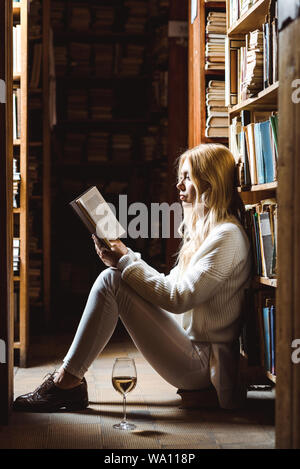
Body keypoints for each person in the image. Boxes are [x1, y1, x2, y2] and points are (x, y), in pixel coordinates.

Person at [14, 143, 252, 412]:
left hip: (204, 363)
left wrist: (126, 261)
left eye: (187, 177)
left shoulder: (226, 236)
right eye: (180, 177)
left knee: (112, 280)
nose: (179, 186)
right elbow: (170, 283)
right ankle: (67, 382)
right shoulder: (209, 233)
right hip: (190, 347)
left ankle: (66, 382)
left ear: (210, 181)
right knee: (114, 277)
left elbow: (178, 299)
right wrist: (126, 257)